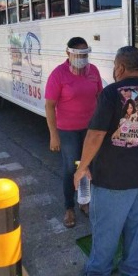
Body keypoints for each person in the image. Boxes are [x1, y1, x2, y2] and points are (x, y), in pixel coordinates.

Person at [74, 46, 138, 276]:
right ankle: (132, 270)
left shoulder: (111, 92)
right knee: (136, 229)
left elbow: (94, 135)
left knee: (106, 231)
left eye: (115, 67)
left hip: (114, 178)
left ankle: (97, 272)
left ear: (120, 67)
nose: (114, 72)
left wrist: (82, 168)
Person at [45, 37, 103, 229]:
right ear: (68, 53)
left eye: (85, 53)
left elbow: (100, 97)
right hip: (68, 130)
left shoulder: (93, 71)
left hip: (90, 129)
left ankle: (84, 202)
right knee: (72, 168)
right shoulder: (58, 74)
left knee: (89, 166)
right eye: (78, 54)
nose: (82, 57)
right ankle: (69, 207)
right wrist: (53, 134)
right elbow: (50, 105)